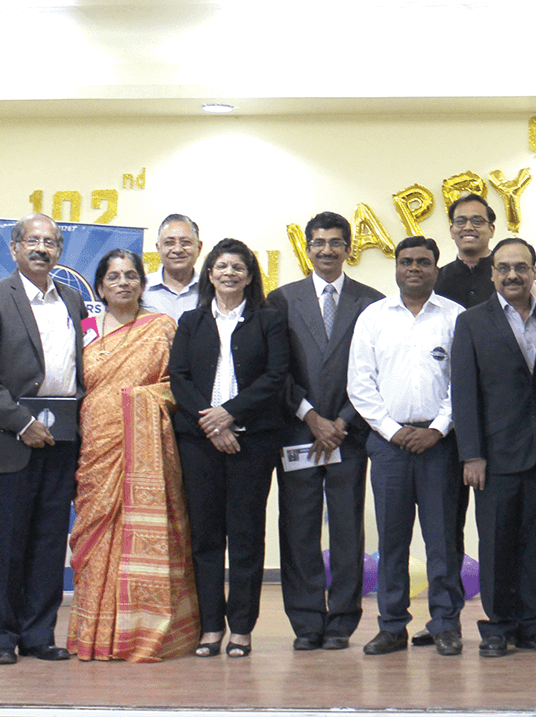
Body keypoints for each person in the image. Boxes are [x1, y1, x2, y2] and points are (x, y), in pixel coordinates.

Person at [0, 213, 88, 665]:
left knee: (50, 541)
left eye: (50, 242)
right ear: (14, 248)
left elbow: (82, 370)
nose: (41, 248)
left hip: (63, 441)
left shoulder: (73, 301)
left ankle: (38, 635)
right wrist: (21, 423)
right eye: (32, 241)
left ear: (59, 252)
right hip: (10, 439)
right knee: (4, 544)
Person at [65, 248, 200, 662]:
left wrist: (140, 399)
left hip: (145, 450)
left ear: (142, 283)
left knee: (139, 535)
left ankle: (141, 632)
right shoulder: (86, 328)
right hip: (96, 447)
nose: (123, 282)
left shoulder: (161, 327)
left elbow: (177, 385)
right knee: (96, 535)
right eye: (113, 277)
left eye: (131, 276)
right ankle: (93, 634)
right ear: (100, 287)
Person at [266, 212, 383, 652]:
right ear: (307, 248)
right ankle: (307, 620)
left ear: (348, 248)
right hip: (298, 433)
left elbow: (376, 372)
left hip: (349, 435)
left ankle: (342, 621)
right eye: (319, 243)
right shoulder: (280, 300)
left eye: (336, 242)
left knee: (348, 529)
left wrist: (343, 421)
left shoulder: (372, 302)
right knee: (298, 528)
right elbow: (276, 370)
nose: (327, 250)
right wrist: (311, 416)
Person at [169, 238, 290, 659]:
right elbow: (178, 377)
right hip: (200, 442)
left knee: (245, 536)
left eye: (238, 267)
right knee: (205, 539)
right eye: (221, 266)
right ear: (210, 274)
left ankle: (241, 628)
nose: (229, 273)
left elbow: (276, 377)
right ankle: (209, 628)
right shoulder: (190, 320)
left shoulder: (269, 320)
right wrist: (211, 421)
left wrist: (231, 414)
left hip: (252, 441)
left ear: (250, 276)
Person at [348, 237, 467, 658]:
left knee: (443, 542)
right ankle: (392, 626)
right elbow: (360, 383)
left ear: (436, 268)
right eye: (406, 262)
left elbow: (463, 383)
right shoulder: (373, 317)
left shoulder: (456, 317)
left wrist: (437, 428)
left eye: (423, 262)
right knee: (392, 542)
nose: (414, 268)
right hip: (389, 446)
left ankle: (445, 624)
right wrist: (391, 430)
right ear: (396, 268)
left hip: (440, 446)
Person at [452, 237, 536, 659]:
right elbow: (463, 392)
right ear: (493, 273)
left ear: (535, 271)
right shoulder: (472, 322)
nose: (513, 275)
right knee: (496, 546)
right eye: (503, 268)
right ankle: (497, 626)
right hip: (494, 456)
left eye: (521, 267)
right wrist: (472, 454)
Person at [420, 193, 498, 648]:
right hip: (445, 430)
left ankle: (504, 619)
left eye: (477, 220)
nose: (469, 227)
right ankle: (444, 621)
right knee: (444, 530)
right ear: (451, 230)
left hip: (500, 428)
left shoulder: (511, 276)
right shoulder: (435, 281)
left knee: (496, 530)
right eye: (460, 221)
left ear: (491, 227)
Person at [145, 214, 204, 321]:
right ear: (158, 248)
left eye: (185, 242)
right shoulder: (141, 289)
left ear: (199, 248)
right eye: (169, 243)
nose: (177, 249)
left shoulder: (211, 289)